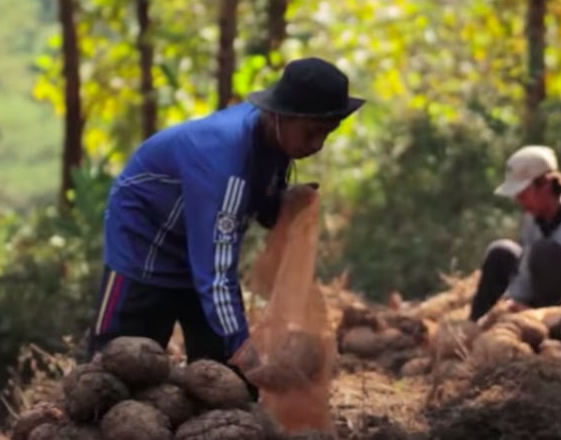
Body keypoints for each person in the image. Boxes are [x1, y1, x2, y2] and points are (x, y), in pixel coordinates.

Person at [88, 57, 365, 372]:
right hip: (145, 247)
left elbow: (255, 210)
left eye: (327, 133)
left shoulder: (274, 142)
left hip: (204, 250)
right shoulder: (223, 162)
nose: (318, 145)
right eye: (312, 132)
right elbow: (217, 274)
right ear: (280, 116)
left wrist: (281, 204)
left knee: (228, 380)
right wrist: (241, 345)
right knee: (115, 368)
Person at [469, 145, 561, 322]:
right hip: (537, 300)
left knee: (544, 252)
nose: (518, 200)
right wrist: (511, 300)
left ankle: (550, 333)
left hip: (557, 313)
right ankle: (474, 328)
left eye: (523, 193)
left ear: (545, 184)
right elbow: (525, 269)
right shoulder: (532, 220)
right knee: (501, 252)